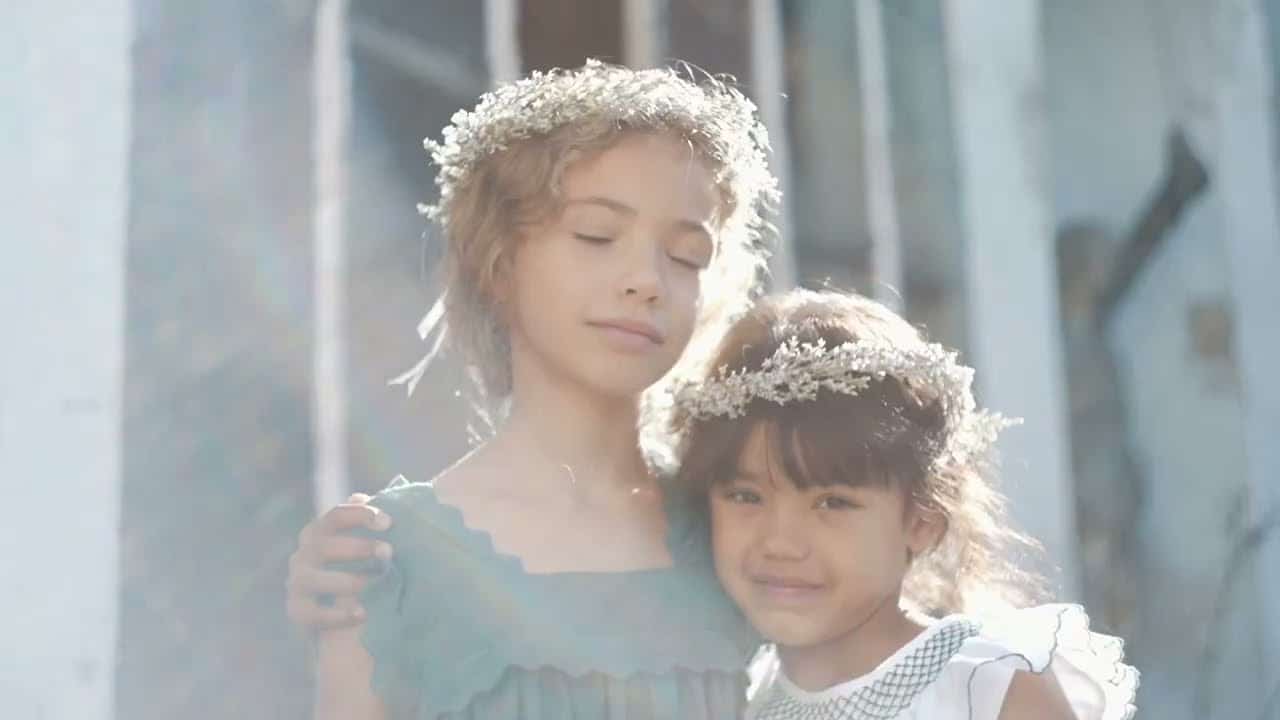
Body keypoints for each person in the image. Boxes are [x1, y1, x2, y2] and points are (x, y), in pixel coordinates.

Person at [302, 59, 780, 719]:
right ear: (499, 265)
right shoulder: (387, 560)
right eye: (596, 235)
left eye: (685, 255)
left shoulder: (738, 527)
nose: (646, 279)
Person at [670, 289, 1139, 720]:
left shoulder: (986, 689)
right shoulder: (744, 699)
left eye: (832, 502)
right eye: (745, 496)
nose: (781, 543)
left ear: (922, 519)